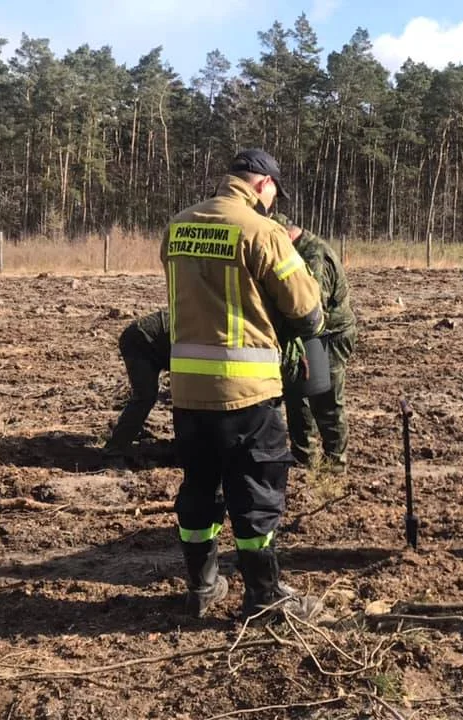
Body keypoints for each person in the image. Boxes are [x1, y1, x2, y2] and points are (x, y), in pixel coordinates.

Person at [162, 148, 324, 621]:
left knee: (199, 490)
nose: (274, 202)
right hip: (246, 392)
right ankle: (265, 595)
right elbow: (307, 310)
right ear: (262, 185)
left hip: (188, 392)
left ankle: (201, 589)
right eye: (274, 193)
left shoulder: (179, 225)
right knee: (256, 496)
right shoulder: (262, 231)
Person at [271, 214, 357, 472]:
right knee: (297, 395)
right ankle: (303, 455)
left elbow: (312, 308)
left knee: (327, 398)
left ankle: (335, 462)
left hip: (330, 335)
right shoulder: (294, 251)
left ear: (285, 235)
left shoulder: (313, 255)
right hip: (305, 335)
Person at [104, 309, 170, 452]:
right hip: (139, 340)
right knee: (145, 397)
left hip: (156, 342)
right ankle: (114, 450)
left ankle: (133, 430)